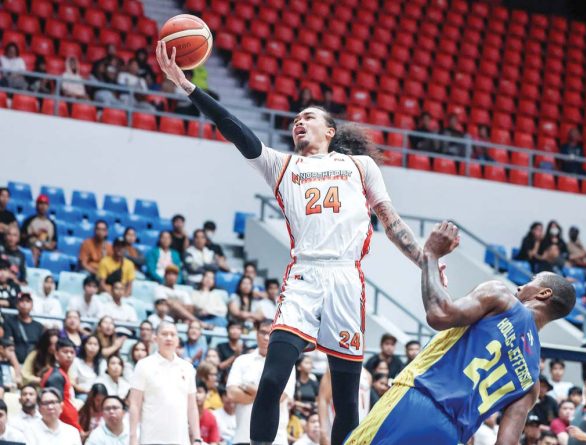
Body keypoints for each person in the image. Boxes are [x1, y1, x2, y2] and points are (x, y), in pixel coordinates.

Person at [158, 41, 427, 445]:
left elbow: (390, 222)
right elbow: (233, 127)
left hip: (345, 279)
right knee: (272, 378)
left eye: (309, 117)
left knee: (346, 399)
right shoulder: (282, 166)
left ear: (330, 131)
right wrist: (188, 86)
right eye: (296, 118)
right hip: (304, 276)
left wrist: (424, 260)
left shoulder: (359, 165)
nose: (298, 121)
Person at [345, 222, 576, 444]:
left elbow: (440, 314)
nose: (520, 287)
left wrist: (431, 255)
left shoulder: (502, 298)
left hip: (417, 403)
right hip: (451, 436)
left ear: (544, 293)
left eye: (530, 282)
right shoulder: (533, 379)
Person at [129, 321, 200, 445]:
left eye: (173, 334)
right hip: (151, 439)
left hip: (180, 440)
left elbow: (192, 407)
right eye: (164, 334)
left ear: (177, 340)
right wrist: (133, 437)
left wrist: (197, 438)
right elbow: (135, 404)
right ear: (155, 338)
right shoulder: (144, 365)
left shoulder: (187, 368)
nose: (169, 338)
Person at [226, 319, 295, 445]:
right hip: (243, 436)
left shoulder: (286, 363)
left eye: (270, 333)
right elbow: (232, 394)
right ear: (256, 334)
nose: (266, 337)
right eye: (262, 332)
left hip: (276, 439)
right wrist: (266, 395)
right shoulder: (241, 360)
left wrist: (248, 389)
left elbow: (280, 397)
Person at [40, 338, 81, 432]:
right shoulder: (56, 377)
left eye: (72, 352)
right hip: (61, 428)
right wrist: (77, 429)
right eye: (65, 352)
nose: (69, 355)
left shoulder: (61, 373)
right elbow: (58, 407)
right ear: (56, 355)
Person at [4, 292, 43, 363]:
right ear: (17, 304)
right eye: (21, 301)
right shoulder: (9, 322)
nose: (24, 304)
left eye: (27, 301)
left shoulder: (39, 326)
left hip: (33, 365)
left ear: (32, 305)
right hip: (14, 364)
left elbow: (41, 348)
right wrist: (16, 367)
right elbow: (9, 347)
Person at [20, 194, 58, 266]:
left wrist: (50, 246)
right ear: (37, 205)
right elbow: (21, 236)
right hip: (31, 246)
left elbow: (54, 241)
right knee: (35, 251)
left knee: (58, 255)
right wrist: (33, 234)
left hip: (46, 248)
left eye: (45, 204)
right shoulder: (29, 220)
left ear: (48, 206)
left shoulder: (52, 223)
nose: (43, 206)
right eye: (40, 203)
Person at [71, 334, 105, 398]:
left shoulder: (102, 362)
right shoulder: (76, 361)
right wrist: (87, 391)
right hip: (82, 393)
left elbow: (103, 381)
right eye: (90, 344)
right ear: (84, 346)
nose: (92, 347)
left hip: (98, 394)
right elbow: (73, 383)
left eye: (95, 344)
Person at [195, 381, 221, 445]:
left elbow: (214, 442)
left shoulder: (211, 417)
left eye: (200, 392)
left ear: (206, 394)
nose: (197, 395)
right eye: (194, 393)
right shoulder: (183, 416)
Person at [294, 354, 319, 420]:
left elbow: (318, 401)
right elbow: (290, 400)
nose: (310, 366)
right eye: (307, 363)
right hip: (297, 414)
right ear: (299, 367)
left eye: (310, 363)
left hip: (312, 414)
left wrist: (312, 407)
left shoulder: (314, 383)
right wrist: (304, 406)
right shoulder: (294, 383)